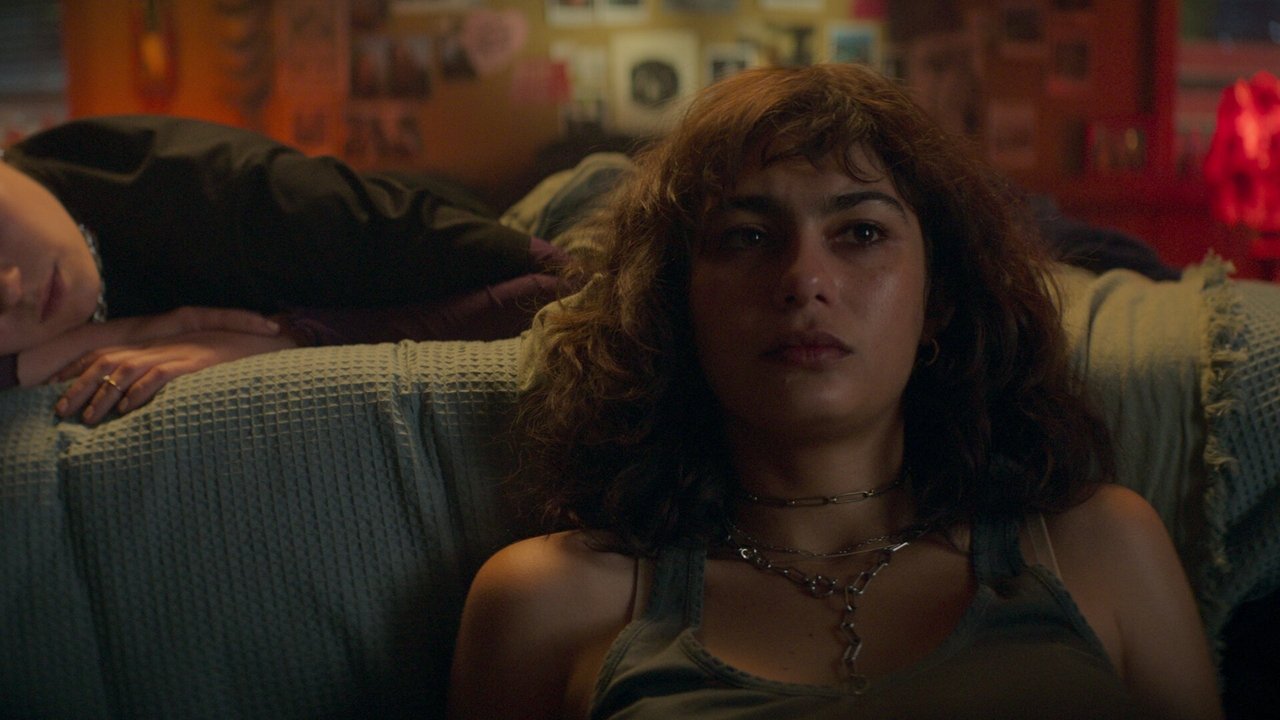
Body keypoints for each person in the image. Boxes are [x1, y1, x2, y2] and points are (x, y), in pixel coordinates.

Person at [448, 64, 1223, 719]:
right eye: (748, 236)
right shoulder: (549, 603)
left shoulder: (1099, 547)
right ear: (677, 303)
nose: (803, 281)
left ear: (938, 299)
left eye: (861, 233)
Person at [0, 114, 569, 424]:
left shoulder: (227, 196)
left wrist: (292, 339)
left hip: (431, 236)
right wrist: (140, 331)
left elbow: (555, 285)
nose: (6, 289)